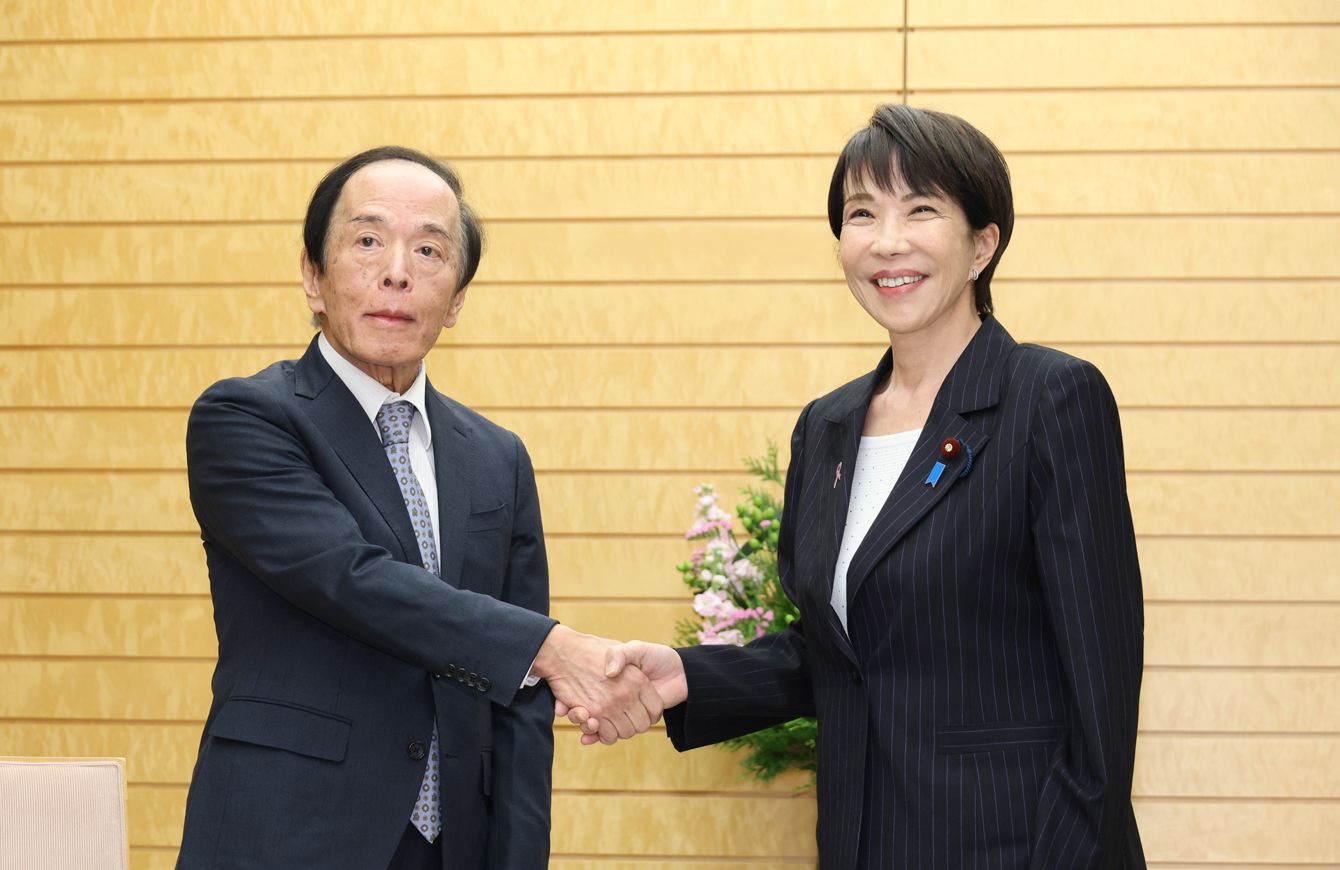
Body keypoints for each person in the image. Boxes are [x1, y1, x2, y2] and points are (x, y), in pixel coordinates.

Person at [575, 106, 1147, 867]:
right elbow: (841, 654)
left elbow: (1102, 690)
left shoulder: (1049, 399)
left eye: (921, 210)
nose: (887, 241)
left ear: (983, 244)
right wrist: (689, 676)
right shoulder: (828, 427)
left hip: (1013, 847)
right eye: (861, 214)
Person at [176, 146, 661, 870]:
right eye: (368, 241)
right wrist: (551, 647)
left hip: (452, 846)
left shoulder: (497, 457)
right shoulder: (247, 418)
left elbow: (522, 706)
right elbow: (350, 578)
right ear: (312, 275)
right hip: (284, 836)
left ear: (457, 298)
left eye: (429, 250)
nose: (397, 272)